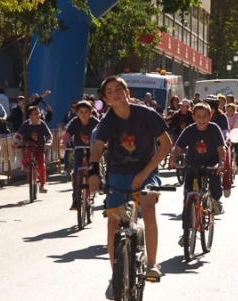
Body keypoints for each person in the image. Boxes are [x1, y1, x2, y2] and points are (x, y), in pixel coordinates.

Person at [88, 75, 171, 299]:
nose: (115, 93)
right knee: (113, 222)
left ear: (126, 92)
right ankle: (116, 277)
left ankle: (152, 263)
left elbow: (166, 143)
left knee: (147, 206)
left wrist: (146, 172)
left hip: (147, 170)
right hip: (118, 173)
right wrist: (93, 170)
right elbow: (97, 146)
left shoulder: (146, 114)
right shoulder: (107, 120)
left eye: (118, 89)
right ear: (106, 99)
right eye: (110, 92)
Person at [169, 102, 226, 246]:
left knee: (214, 179)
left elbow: (221, 148)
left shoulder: (214, 129)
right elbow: (177, 148)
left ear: (210, 116)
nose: (201, 119)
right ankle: (186, 233)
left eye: (205, 116)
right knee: (187, 199)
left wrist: (221, 162)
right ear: (193, 117)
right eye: (198, 116)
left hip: (211, 162)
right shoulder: (189, 130)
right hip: (193, 163)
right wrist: (173, 161)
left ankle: (215, 201)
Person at [60, 100, 99, 209]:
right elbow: (67, 134)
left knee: (93, 170)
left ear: (90, 113)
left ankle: (95, 186)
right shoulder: (75, 122)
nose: (83, 114)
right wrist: (63, 142)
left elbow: (102, 133)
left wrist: (106, 143)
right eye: (80, 112)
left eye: (86, 111)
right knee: (76, 173)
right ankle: (76, 199)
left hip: (92, 150)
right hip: (78, 150)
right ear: (77, 113)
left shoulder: (95, 122)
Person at [13, 106, 53, 193]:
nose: (38, 115)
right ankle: (26, 164)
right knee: (30, 145)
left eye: (39, 113)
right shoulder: (26, 124)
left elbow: (49, 136)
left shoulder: (42, 123)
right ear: (30, 115)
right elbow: (19, 135)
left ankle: (42, 185)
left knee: (42, 165)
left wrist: (48, 143)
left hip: (40, 145)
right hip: (29, 144)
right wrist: (15, 143)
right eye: (35, 114)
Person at [204, 95, 231, 198]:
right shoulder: (202, 116)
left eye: (210, 106)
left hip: (220, 144)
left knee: (225, 164)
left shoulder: (222, 117)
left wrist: (225, 140)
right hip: (205, 145)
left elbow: (225, 131)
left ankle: (226, 185)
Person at [59, 101, 78, 175]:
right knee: (67, 151)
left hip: (78, 135)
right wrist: (62, 127)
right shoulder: (69, 114)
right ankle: (66, 168)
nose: (74, 109)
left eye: (76, 107)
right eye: (73, 107)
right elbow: (64, 123)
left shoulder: (80, 114)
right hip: (70, 135)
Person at [225, 103, 238, 174]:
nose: (229, 112)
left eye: (231, 110)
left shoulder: (237, 116)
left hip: (236, 135)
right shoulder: (224, 116)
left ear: (234, 110)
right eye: (228, 110)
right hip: (228, 136)